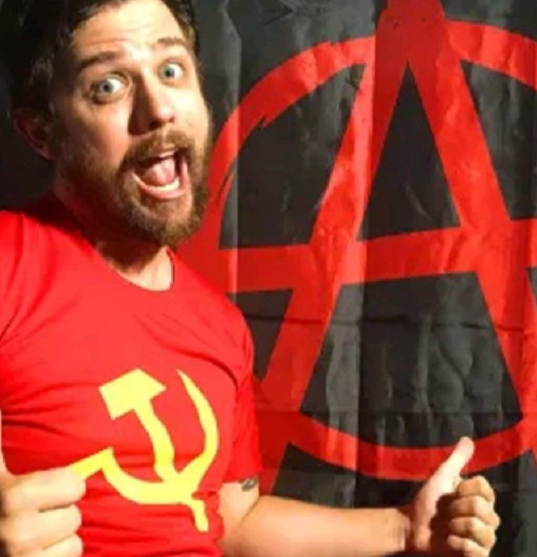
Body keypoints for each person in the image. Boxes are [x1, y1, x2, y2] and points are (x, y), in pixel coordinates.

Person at [0, 0, 499, 555]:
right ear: (41, 132)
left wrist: (402, 529)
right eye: (108, 86)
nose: (159, 108)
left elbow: (232, 520)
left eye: (171, 70)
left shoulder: (218, 324)